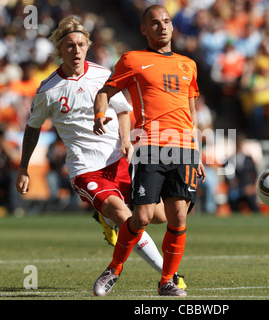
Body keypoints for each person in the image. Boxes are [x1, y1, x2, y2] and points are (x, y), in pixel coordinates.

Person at [14, 16, 186, 293]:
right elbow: (32, 128)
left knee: (158, 217)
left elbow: (122, 110)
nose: (77, 50)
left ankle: (104, 219)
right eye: (70, 46)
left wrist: (126, 140)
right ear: (60, 49)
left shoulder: (102, 75)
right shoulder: (48, 90)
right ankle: (170, 278)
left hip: (119, 160)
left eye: (81, 44)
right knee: (123, 214)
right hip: (86, 169)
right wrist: (23, 168)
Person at [92, 5, 206, 297]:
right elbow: (105, 92)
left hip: (184, 149)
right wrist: (99, 114)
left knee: (177, 217)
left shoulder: (188, 64)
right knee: (141, 217)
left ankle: (166, 281)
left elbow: (190, 111)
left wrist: (198, 151)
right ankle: (113, 269)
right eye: (154, 23)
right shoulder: (133, 60)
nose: (162, 27)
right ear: (144, 29)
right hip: (152, 146)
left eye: (166, 21)